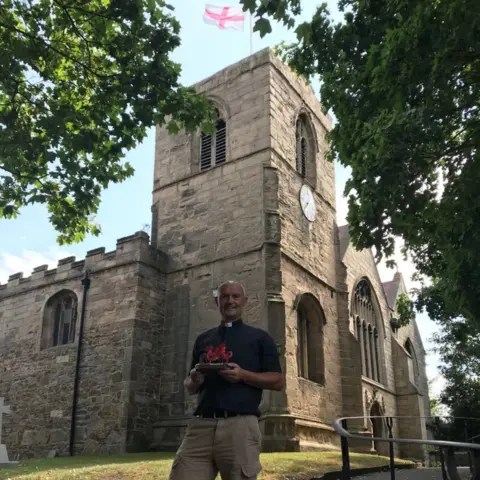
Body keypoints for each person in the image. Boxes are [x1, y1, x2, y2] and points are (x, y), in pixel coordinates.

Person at [169, 280, 283, 480]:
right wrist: (194, 379)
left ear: (244, 301)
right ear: (217, 301)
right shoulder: (203, 339)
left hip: (240, 426)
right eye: (225, 296)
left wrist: (243, 375)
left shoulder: (261, 338)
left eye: (235, 296)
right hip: (201, 427)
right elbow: (189, 386)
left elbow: (277, 381)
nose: (230, 301)